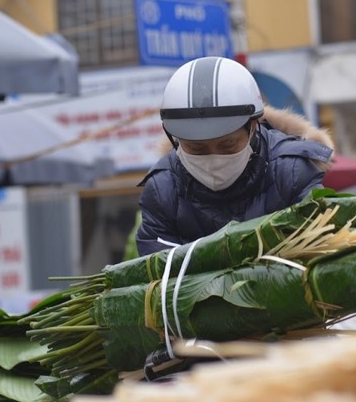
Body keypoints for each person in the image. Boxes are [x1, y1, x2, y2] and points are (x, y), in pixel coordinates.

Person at [136, 56, 334, 256]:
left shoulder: (292, 173)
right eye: (197, 149)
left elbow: (320, 251)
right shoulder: (162, 192)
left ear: (254, 127)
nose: (214, 159)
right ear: (175, 138)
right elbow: (157, 272)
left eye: (228, 144)